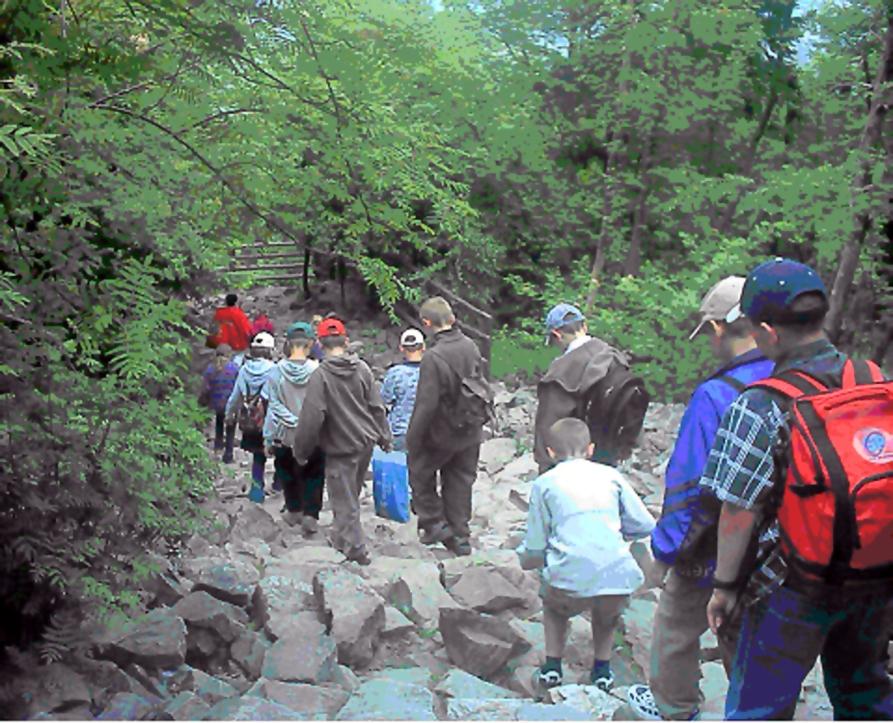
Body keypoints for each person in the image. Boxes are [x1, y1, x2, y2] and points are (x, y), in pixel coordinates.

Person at [701, 258, 893, 720]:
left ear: (767, 331)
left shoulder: (761, 403)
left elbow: (738, 511)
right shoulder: (874, 380)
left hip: (792, 582)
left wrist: (724, 588)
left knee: (760, 706)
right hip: (874, 572)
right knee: (866, 696)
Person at [626, 277, 774, 721]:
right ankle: (759, 707)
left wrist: (667, 551)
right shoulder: (799, 378)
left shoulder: (716, 395)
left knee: (676, 622)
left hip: (714, 544)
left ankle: (674, 706)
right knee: (752, 633)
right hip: (785, 545)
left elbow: (688, 482)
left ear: (717, 329)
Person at [517, 417, 655, 696]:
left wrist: (526, 560)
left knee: (554, 608)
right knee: (606, 614)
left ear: (550, 452)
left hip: (569, 579)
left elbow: (536, 542)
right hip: (617, 574)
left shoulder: (544, 483)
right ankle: (602, 670)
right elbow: (644, 524)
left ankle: (553, 666)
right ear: (591, 449)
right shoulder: (612, 476)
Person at [292, 317, 391, 565]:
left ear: (319, 343)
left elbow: (312, 417)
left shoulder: (321, 376)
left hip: (339, 447)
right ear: (346, 341)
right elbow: (377, 407)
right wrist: (385, 436)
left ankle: (356, 549)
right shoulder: (363, 369)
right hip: (364, 443)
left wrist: (301, 450)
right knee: (350, 495)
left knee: (344, 499)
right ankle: (340, 536)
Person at [405, 296, 489, 557]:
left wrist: (412, 440)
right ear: (452, 319)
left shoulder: (433, 357)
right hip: (471, 429)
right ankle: (461, 537)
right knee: (461, 481)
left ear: (426, 323)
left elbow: (426, 405)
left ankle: (435, 526)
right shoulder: (471, 346)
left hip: (441, 434)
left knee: (420, 473)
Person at [535, 303, 647, 473]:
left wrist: (545, 471)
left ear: (556, 334)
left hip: (573, 467)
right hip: (610, 458)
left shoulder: (560, 373)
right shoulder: (615, 357)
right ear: (584, 326)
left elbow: (547, 427)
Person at [263, 322, 324, 535]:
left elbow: (274, 406)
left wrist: (269, 437)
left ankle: (294, 509)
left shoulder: (276, 372)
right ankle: (311, 515)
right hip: (313, 434)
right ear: (310, 344)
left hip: (285, 435)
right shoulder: (317, 371)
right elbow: (321, 405)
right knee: (314, 474)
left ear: (287, 344)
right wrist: (306, 423)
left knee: (287, 471)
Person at [225, 331, 277, 503]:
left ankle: (256, 489)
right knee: (280, 454)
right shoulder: (274, 370)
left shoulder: (244, 371)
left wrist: (229, 414)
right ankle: (278, 484)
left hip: (251, 420)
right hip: (271, 419)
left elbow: (235, 396)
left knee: (257, 455)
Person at [380, 328, 425, 452]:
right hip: (426, 432)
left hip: (399, 431)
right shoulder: (432, 371)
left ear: (401, 348)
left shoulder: (395, 373)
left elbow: (383, 400)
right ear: (423, 347)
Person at [200, 344, 239, 464]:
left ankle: (218, 449)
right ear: (229, 354)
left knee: (219, 424)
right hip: (231, 403)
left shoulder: (210, 369)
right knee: (231, 429)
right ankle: (228, 455)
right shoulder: (235, 368)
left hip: (217, 403)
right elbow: (239, 386)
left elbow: (206, 388)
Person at [210, 293, 252, 360]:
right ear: (236, 302)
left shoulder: (219, 313)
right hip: (237, 344)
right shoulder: (239, 313)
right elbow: (245, 329)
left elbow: (213, 327)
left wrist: (212, 342)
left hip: (221, 344)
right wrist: (250, 339)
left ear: (226, 302)